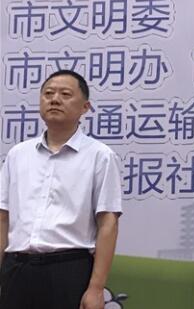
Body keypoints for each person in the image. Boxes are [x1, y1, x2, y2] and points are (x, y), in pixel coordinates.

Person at [0, 69, 123, 309]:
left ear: (85, 107)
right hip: (17, 269)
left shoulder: (100, 156)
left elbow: (108, 224)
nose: (55, 99)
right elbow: (3, 218)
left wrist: (96, 288)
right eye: (48, 94)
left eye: (65, 94)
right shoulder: (18, 155)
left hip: (68, 270)